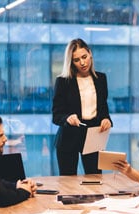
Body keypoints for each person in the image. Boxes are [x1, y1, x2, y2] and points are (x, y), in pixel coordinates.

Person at [52, 38, 112, 175]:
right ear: (71, 62)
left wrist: (106, 119)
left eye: (84, 57)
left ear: (90, 53)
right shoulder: (63, 81)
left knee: (95, 180)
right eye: (76, 60)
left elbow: (103, 110)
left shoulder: (101, 79)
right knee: (68, 182)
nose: (82, 63)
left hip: (93, 135)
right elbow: (56, 115)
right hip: (69, 137)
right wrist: (67, 118)